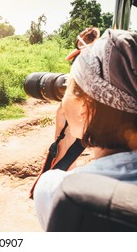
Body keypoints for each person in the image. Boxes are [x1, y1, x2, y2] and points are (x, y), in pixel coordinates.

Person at [33, 28, 137, 231]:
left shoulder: (60, 191)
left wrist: (63, 139)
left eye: (70, 85)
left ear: (85, 107)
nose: (63, 98)